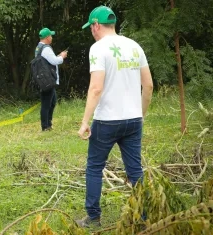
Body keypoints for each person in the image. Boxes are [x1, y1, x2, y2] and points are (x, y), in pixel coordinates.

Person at [76, 6, 153, 227]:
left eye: (91, 27)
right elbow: (148, 86)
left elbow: (96, 89)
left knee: (94, 167)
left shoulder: (98, 48)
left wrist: (84, 122)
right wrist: (141, 115)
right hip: (133, 120)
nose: (91, 31)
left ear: (96, 25)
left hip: (107, 121)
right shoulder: (135, 46)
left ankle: (93, 218)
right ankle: (145, 216)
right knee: (135, 169)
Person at [35, 28, 68, 131]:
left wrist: (56, 56)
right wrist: (62, 56)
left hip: (44, 79)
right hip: (47, 80)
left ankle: (48, 124)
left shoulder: (39, 47)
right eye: (51, 36)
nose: (52, 37)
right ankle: (45, 127)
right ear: (47, 37)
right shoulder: (46, 48)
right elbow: (54, 61)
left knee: (52, 102)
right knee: (46, 104)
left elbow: (47, 60)